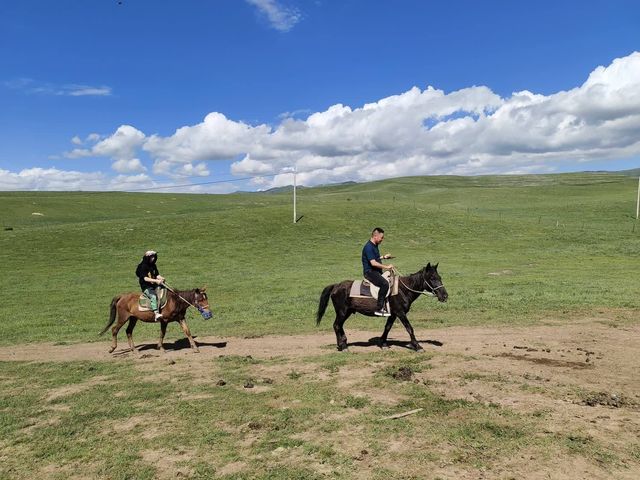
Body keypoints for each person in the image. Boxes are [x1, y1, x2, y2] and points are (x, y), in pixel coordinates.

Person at [362, 227, 394, 316]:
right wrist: (387, 267)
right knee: (384, 284)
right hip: (370, 272)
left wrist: (384, 257)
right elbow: (373, 263)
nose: (382, 240)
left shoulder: (374, 246)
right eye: (381, 237)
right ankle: (379, 308)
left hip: (376, 272)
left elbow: (375, 258)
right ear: (375, 236)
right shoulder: (368, 247)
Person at [135, 250, 165, 321]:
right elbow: (145, 278)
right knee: (153, 296)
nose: (153, 258)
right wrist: (156, 281)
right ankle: (156, 313)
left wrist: (161, 278)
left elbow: (157, 275)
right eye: (151, 257)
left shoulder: (153, 265)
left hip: (154, 285)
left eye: (154, 257)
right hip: (146, 286)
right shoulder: (143, 266)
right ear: (147, 258)